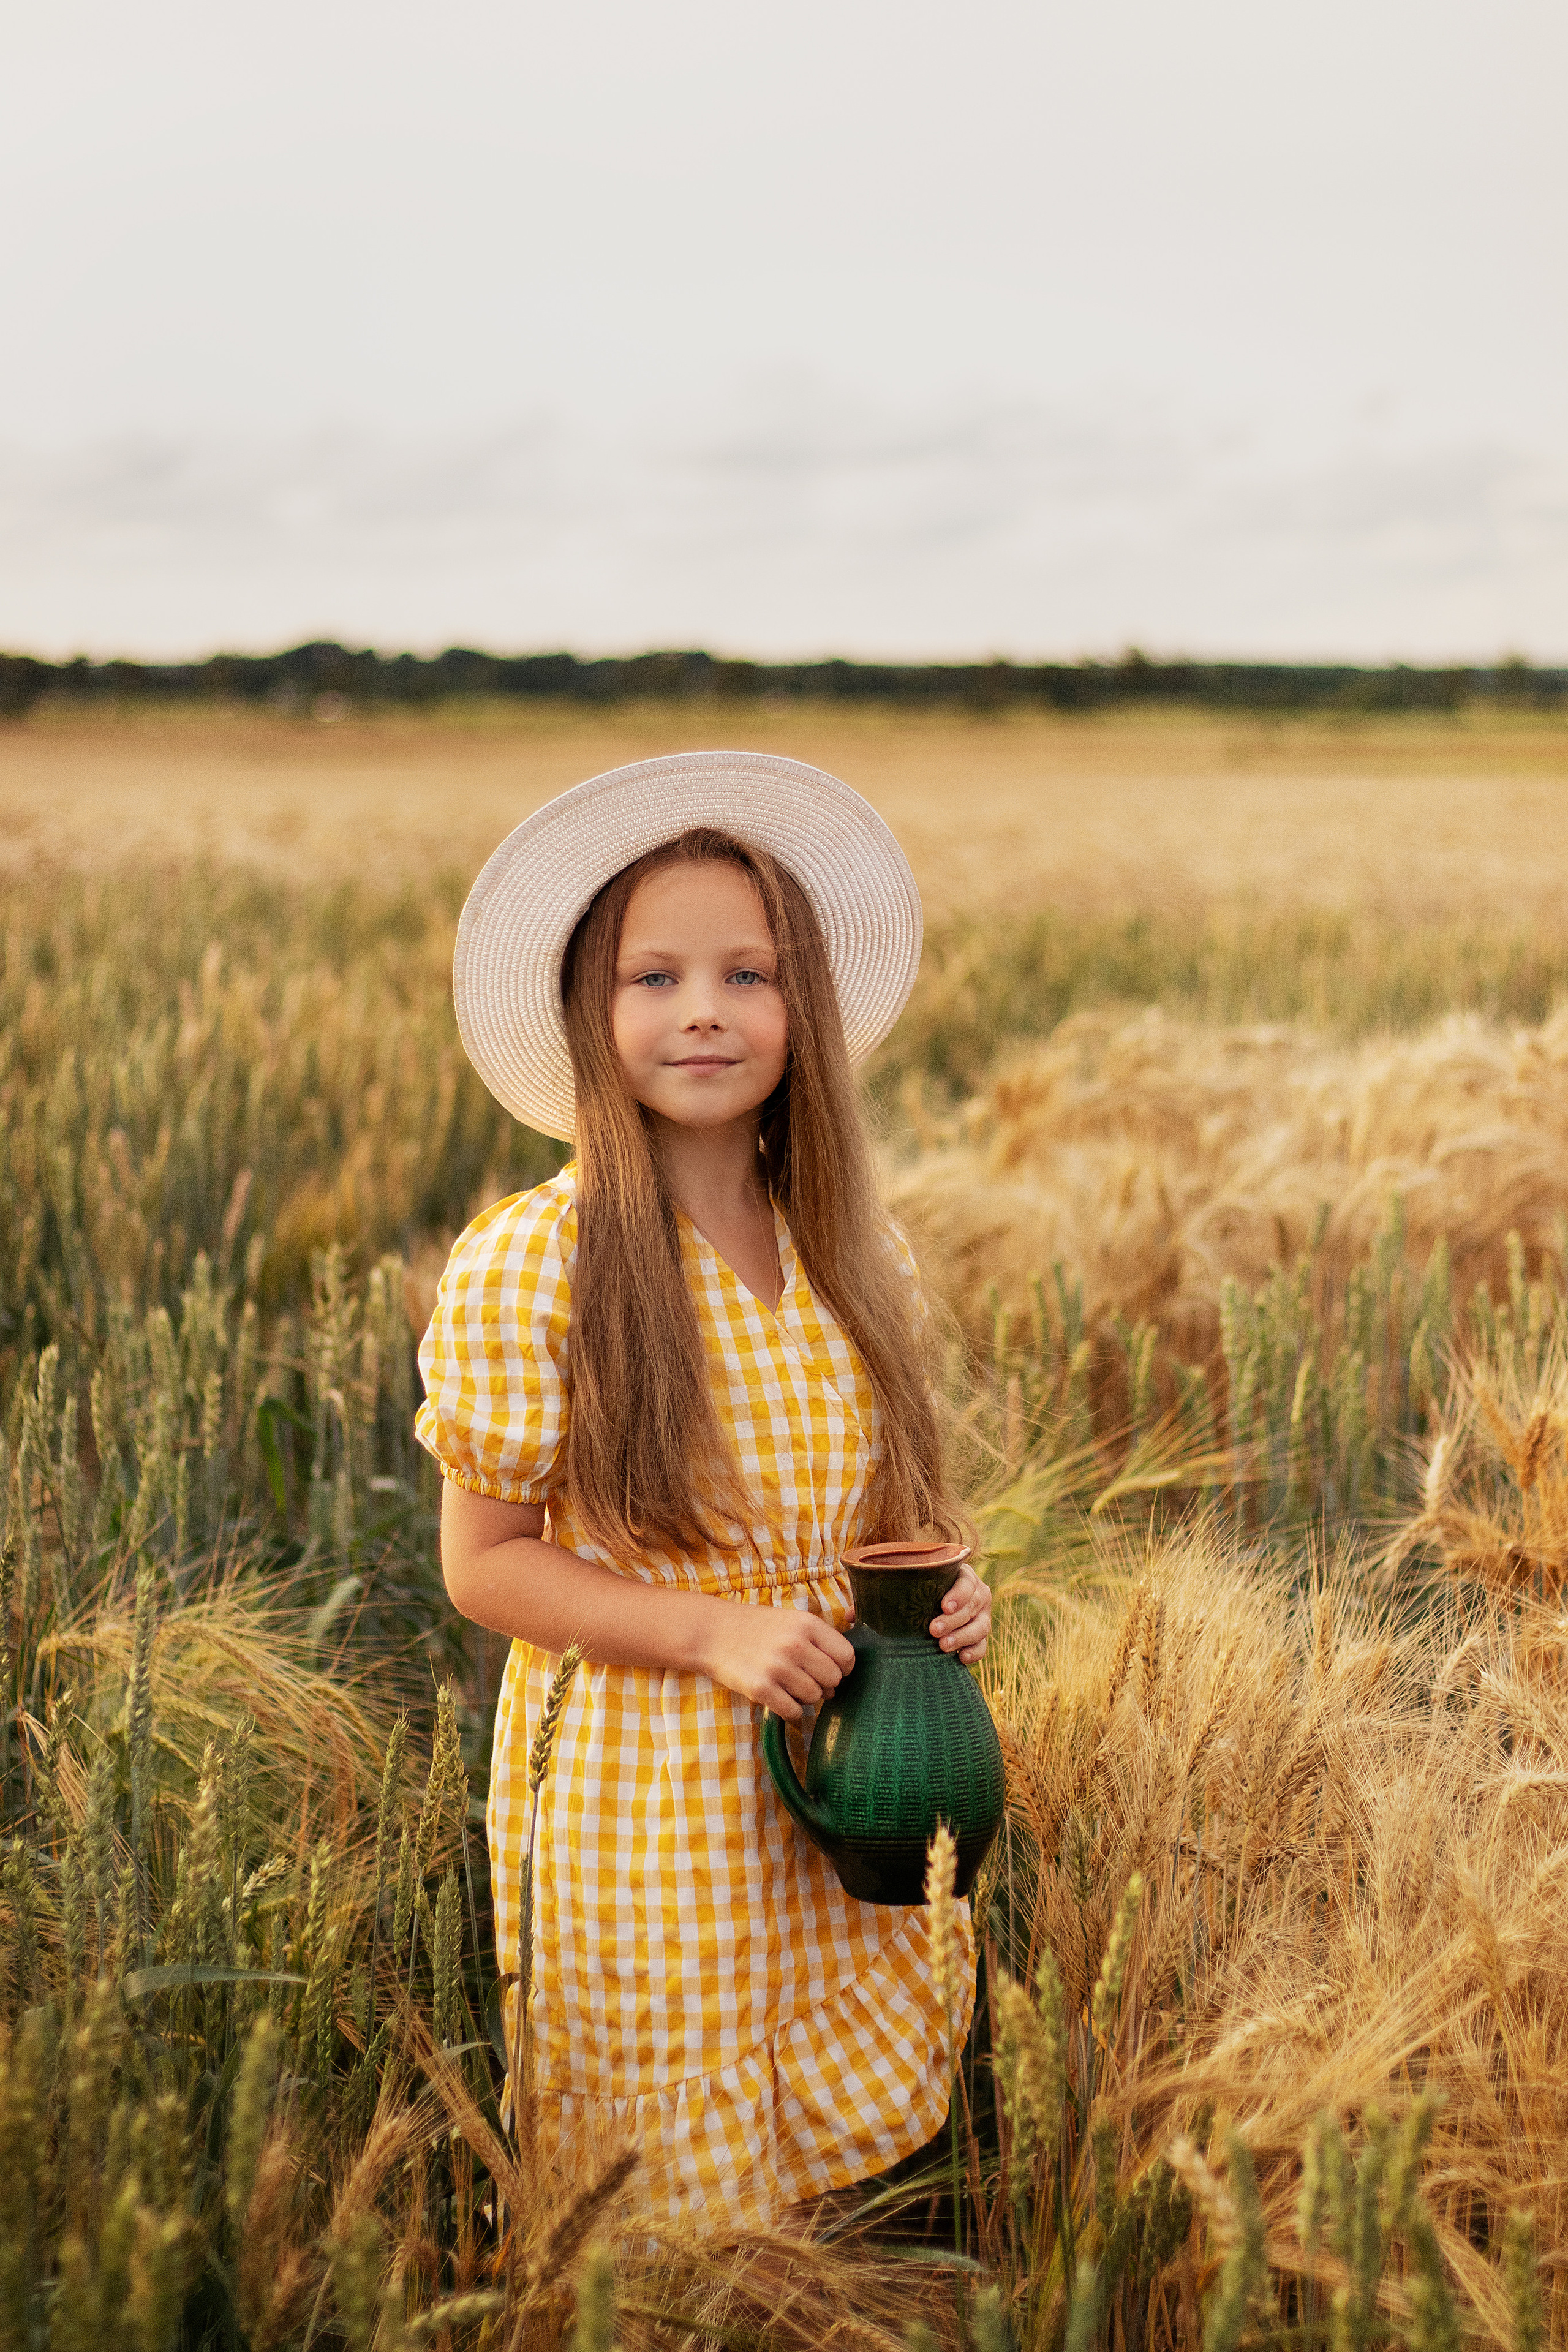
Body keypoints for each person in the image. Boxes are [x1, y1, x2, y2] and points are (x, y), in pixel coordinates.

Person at [415, 750, 992, 2225]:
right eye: (652, 977)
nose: (702, 1013)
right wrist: (712, 1634)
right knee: (674, 2214)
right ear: (586, 1014)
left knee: (836, 2185)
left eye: (747, 973)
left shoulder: (854, 1253)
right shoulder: (539, 1259)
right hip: (647, 1783)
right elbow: (484, 1568)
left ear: (803, 1009)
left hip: (846, 1768)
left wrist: (943, 1597)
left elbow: (873, 1513)